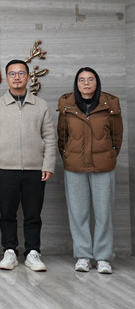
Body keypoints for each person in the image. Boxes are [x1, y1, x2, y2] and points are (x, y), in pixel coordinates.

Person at [0, 59, 56, 272]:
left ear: (28, 76)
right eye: (12, 73)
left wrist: (48, 165)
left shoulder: (40, 105)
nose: (16, 77)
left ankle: (33, 252)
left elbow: (50, 137)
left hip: (35, 169)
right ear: (6, 78)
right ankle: (9, 251)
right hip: (5, 168)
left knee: (33, 214)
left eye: (21, 73)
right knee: (7, 213)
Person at [57, 67, 123, 274]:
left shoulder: (110, 104)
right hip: (74, 166)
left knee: (104, 213)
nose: (86, 83)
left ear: (97, 82)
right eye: (82, 80)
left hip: (103, 165)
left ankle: (103, 258)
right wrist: (68, 155)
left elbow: (117, 137)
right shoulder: (67, 104)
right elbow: (62, 136)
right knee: (78, 213)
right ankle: (83, 256)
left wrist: (109, 155)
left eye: (90, 79)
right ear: (76, 84)